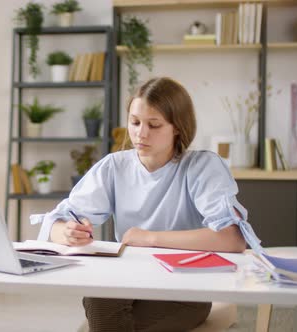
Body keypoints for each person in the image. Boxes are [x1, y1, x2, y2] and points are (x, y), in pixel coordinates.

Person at [30, 77, 259, 332]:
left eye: (154, 125)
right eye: (135, 122)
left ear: (177, 127)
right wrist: (66, 231)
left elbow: (232, 239)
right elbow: (57, 220)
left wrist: (150, 238)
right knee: (98, 297)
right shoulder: (114, 166)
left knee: (106, 318)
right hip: (130, 279)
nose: (141, 133)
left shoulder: (202, 167)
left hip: (185, 289)